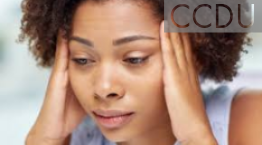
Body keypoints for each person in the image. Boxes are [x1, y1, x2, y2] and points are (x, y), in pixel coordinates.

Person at [19, 0, 262, 145]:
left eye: (134, 59)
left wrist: (195, 138)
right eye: (82, 60)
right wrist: (42, 140)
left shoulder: (250, 120)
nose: (104, 88)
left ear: (194, 51)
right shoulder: (69, 137)